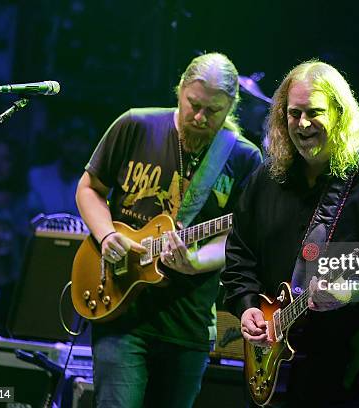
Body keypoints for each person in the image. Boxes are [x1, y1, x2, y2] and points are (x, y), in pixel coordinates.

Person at [221, 61, 359, 407]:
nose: (303, 124)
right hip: (279, 375)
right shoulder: (266, 180)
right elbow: (240, 255)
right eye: (294, 114)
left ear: (340, 114)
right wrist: (248, 305)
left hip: (356, 382)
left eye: (315, 112)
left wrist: (349, 288)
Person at [75, 52, 262, 408]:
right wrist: (107, 235)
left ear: (231, 107)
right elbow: (89, 188)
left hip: (187, 325)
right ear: (180, 90)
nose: (199, 117)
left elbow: (243, 236)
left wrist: (195, 262)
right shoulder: (135, 125)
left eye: (214, 111)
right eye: (193, 104)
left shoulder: (244, 159)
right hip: (122, 314)